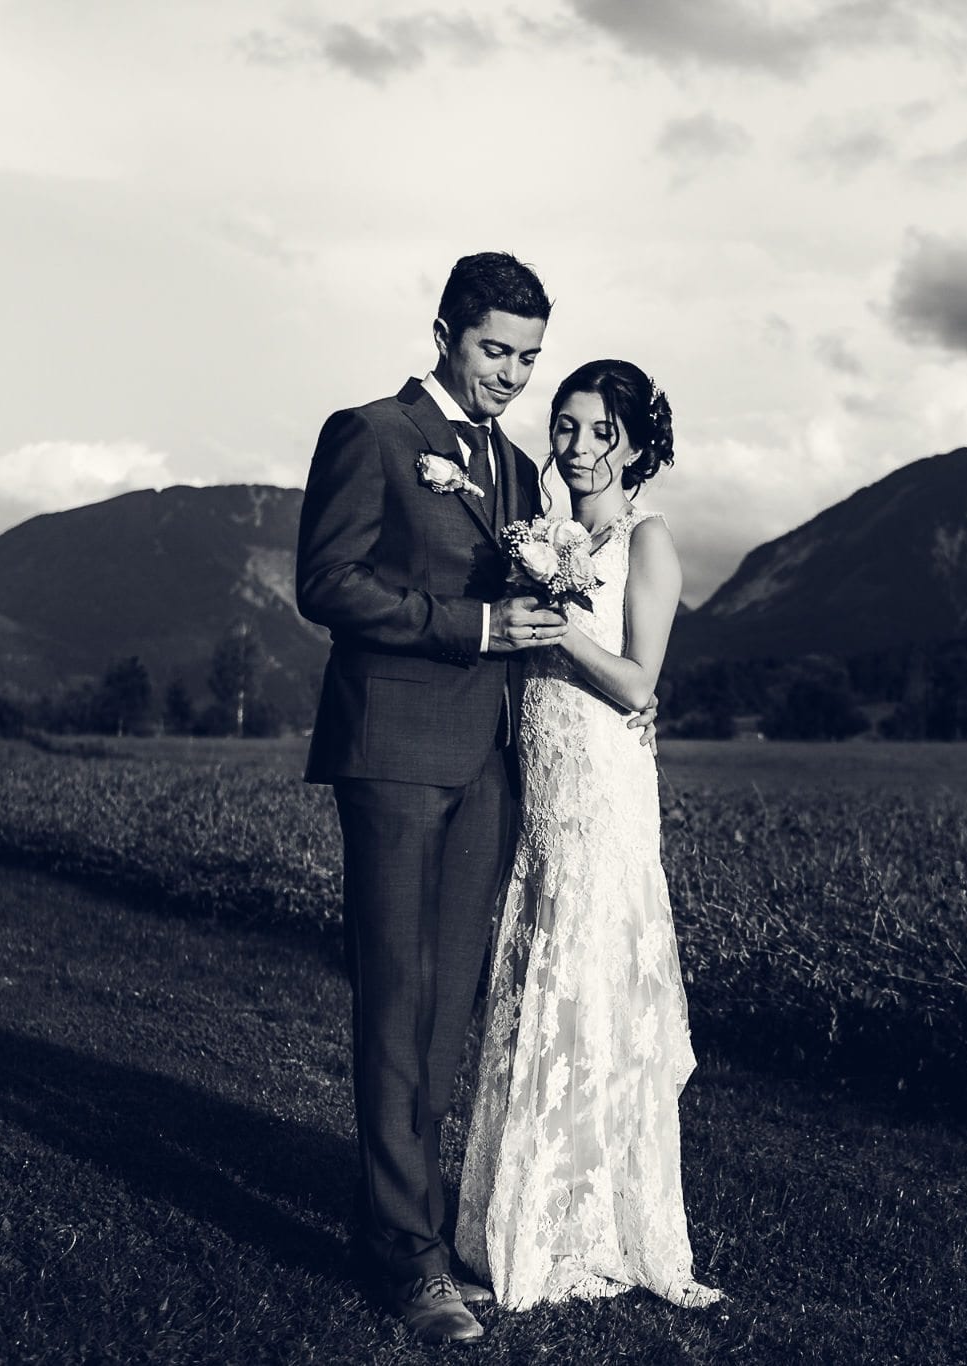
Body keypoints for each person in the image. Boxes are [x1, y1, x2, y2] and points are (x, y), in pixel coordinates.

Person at [294, 253, 652, 1345]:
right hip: (396, 753)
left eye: (529, 359)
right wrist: (478, 628)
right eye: (496, 350)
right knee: (395, 1001)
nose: (512, 375)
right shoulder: (372, 434)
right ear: (445, 331)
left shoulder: (515, 468)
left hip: (492, 766)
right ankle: (408, 1260)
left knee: (449, 1012)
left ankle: (415, 1223)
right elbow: (327, 582)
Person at [458, 359, 723, 1311]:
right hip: (541, 792)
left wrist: (554, 621)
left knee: (597, 988)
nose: (573, 446)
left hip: (603, 796)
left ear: (635, 445)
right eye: (563, 426)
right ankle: (528, 1214)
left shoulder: (648, 542)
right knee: (542, 987)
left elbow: (639, 681)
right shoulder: (548, 533)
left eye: (597, 431)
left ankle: (605, 1225)